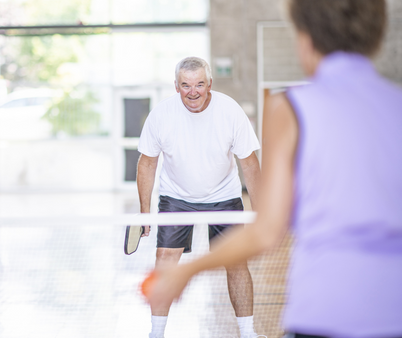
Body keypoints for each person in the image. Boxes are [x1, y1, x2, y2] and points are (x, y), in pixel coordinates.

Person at [146, 1, 402, 338]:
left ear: (305, 38)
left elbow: (269, 229)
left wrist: (187, 271)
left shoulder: (290, 107)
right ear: (378, 35)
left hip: (325, 310)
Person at [137, 56, 263, 338]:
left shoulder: (230, 111)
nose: (192, 92)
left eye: (199, 85)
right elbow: (147, 163)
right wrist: (145, 211)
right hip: (176, 197)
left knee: (236, 262)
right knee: (165, 259)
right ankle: (156, 334)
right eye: (185, 85)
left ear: (209, 84)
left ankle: (248, 333)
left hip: (224, 196)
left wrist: (263, 211)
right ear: (176, 86)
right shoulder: (161, 115)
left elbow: (250, 164)